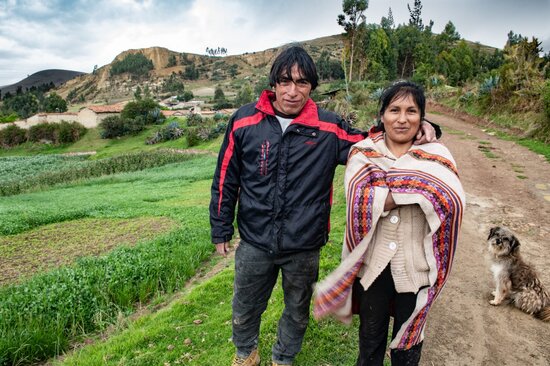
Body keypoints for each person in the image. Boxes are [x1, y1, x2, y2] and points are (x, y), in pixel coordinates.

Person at [210, 46, 438, 366]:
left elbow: (373, 143)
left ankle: (283, 359)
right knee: (245, 305)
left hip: (304, 243)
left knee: (297, 309)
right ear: (273, 82)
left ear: (312, 87)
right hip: (254, 239)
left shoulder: (329, 127)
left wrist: (421, 129)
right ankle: (246, 354)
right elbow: (225, 177)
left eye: (302, 83)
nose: (292, 91)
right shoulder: (244, 121)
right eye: (285, 81)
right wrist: (221, 227)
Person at [314, 81, 465, 365]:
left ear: (422, 118)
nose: (402, 118)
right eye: (394, 110)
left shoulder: (437, 154)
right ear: (382, 115)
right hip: (375, 268)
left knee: (407, 349)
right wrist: (419, 189)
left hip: (417, 268)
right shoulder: (362, 152)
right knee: (370, 343)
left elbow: (451, 199)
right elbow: (359, 198)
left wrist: (387, 191)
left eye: (411, 111)